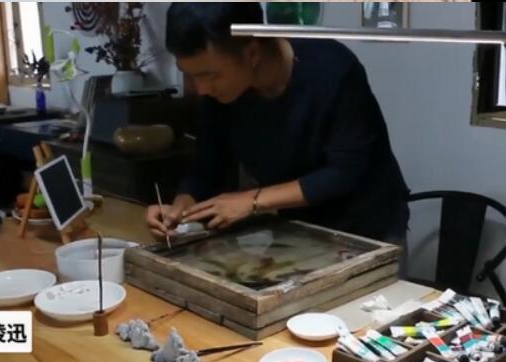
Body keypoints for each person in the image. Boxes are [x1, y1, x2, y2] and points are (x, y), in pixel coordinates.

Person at [147, 2, 410, 247]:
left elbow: (344, 172)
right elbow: (207, 166)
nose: (201, 88)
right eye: (190, 75)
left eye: (209, 75)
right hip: (299, 224)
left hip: (368, 223)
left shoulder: (333, 69)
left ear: (252, 53)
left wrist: (251, 201)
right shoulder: (217, 96)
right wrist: (181, 207)